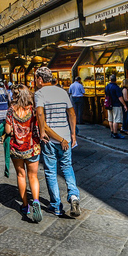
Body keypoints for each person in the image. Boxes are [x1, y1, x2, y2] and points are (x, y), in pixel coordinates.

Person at [34, 66, 80, 218]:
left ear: (40, 79)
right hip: (65, 136)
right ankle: (73, 196)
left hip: (49, 139)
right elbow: (72, 113)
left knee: (51, 172)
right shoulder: (62, 91)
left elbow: (40, 114)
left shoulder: (39, 93)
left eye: (35, 79)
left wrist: (42, 131)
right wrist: (73, 134)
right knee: (67, 167)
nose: (35, 82)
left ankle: (56, 206)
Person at [6, 84, 43, 223]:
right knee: (33, 176)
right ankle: (36, 201)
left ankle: (25, 205)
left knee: (21, 175)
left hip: (17, 148)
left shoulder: (11, 110)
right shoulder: (33, 109)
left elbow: (8, 130)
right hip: (32, 146)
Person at [105, 74, 126, 139]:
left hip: (109, 104)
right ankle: (115, 133)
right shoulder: (116, 87)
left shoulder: (107, 86)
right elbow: (120, 97)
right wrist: (124, 105)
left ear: (110, 80)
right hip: (116, 104)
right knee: (116, 120)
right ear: (115, 80)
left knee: (110, 119)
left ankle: (112, 131)